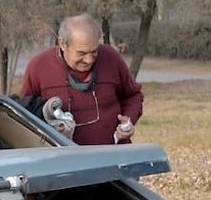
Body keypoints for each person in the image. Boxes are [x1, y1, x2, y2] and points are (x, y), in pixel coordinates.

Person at [20, 13, 143, 145]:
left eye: (94, 51)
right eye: (82, 53)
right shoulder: (39, 66)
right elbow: (25, 113)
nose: (89, 60)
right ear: (62, 44)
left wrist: (129, 120)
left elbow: (133, 96)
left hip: (113, 156)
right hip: (63, 160)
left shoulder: (111, 58)